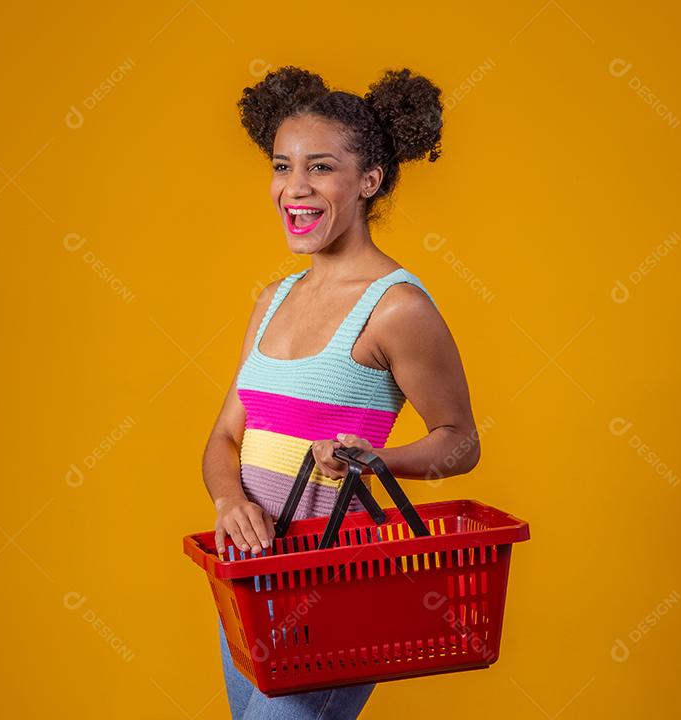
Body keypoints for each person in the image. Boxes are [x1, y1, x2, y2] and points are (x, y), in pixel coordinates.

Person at [201, 65, 480, 719]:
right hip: (249, 577)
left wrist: (380, 461)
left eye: (320, 168)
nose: (293, 188)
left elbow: (461, 442)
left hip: (333, 587)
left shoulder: (396, 308)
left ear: (368, 181)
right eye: (281, 166)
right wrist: (227, 501)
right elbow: (224, 437)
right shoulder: (273, 300)